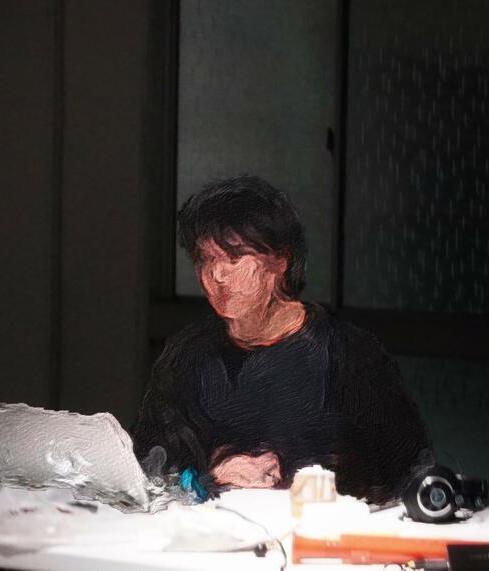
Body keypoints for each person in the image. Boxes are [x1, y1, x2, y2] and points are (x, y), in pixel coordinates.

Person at [129, 175, 434, 505]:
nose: (216, 275)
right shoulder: (187, 355)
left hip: (324, 529)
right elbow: (146, 467)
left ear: (280, 261)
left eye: (234, 258)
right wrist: (209, 478)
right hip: (208, 531)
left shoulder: (348, 353)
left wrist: (295, 480)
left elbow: (408, 469)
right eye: (205, 259)